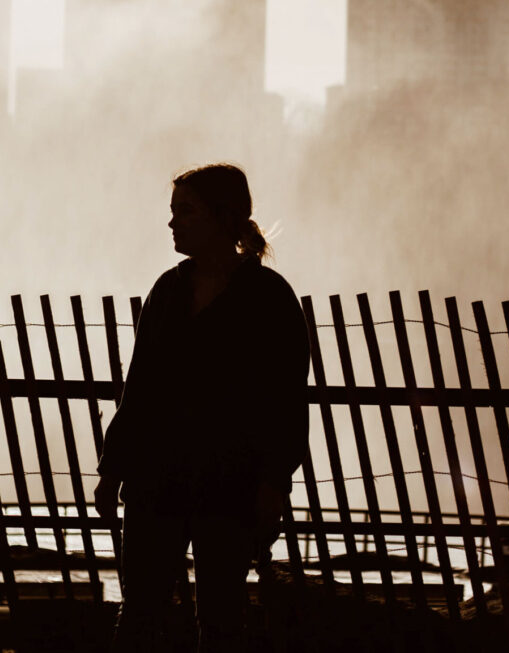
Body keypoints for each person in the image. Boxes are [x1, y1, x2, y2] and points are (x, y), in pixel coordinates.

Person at [93, 163, 311, 653]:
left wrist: (273, 482)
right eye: (173, 212)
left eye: (185, 212)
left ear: (220, 216)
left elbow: (285, 399)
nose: (173, 223)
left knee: (220, 619)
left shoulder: (267, 299)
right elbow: (141, 387)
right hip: (156, 482)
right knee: (140, 615)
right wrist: (113, 471)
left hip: (229, 485)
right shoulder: (167, 291)